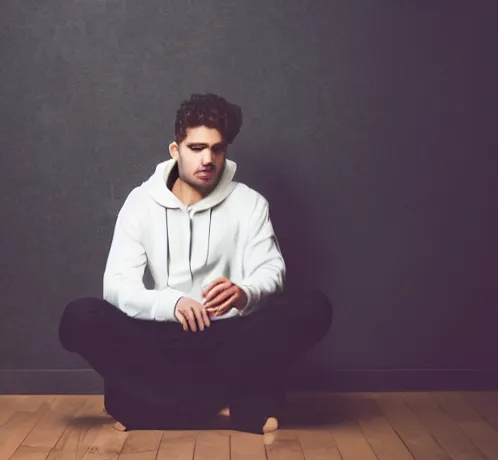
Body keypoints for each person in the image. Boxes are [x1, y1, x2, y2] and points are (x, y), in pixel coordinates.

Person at [59, 93, 333, 434]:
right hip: (160, 339)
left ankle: (157, 409)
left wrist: (244, 292)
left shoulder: (249, 203)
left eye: (216, 149)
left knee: (312, 307)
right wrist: (171, 303)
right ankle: (228, 406)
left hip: (229, 340)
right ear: (176, 150)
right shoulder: (140, 202)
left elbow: (271, 271)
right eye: (196, 148)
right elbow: (116, 286)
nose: (208, 159)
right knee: (79, 317)